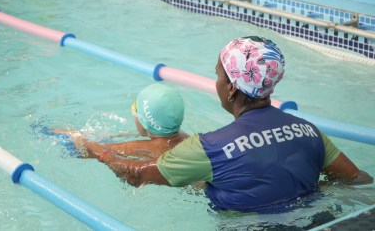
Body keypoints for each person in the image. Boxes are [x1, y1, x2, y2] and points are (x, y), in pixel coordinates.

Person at [72, 36, 374, 213]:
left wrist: (98, 150)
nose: (215, 82)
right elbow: (358, 179)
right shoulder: (309, 131)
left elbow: (134, 175)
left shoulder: (208, 147)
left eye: (218, 75)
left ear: (231, 88)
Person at [57, 83, 189, 160]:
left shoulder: (141, 148)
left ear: (145, 123)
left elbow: (88, 151)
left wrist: (73, 135)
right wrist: (112, 137)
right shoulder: (184, 137)